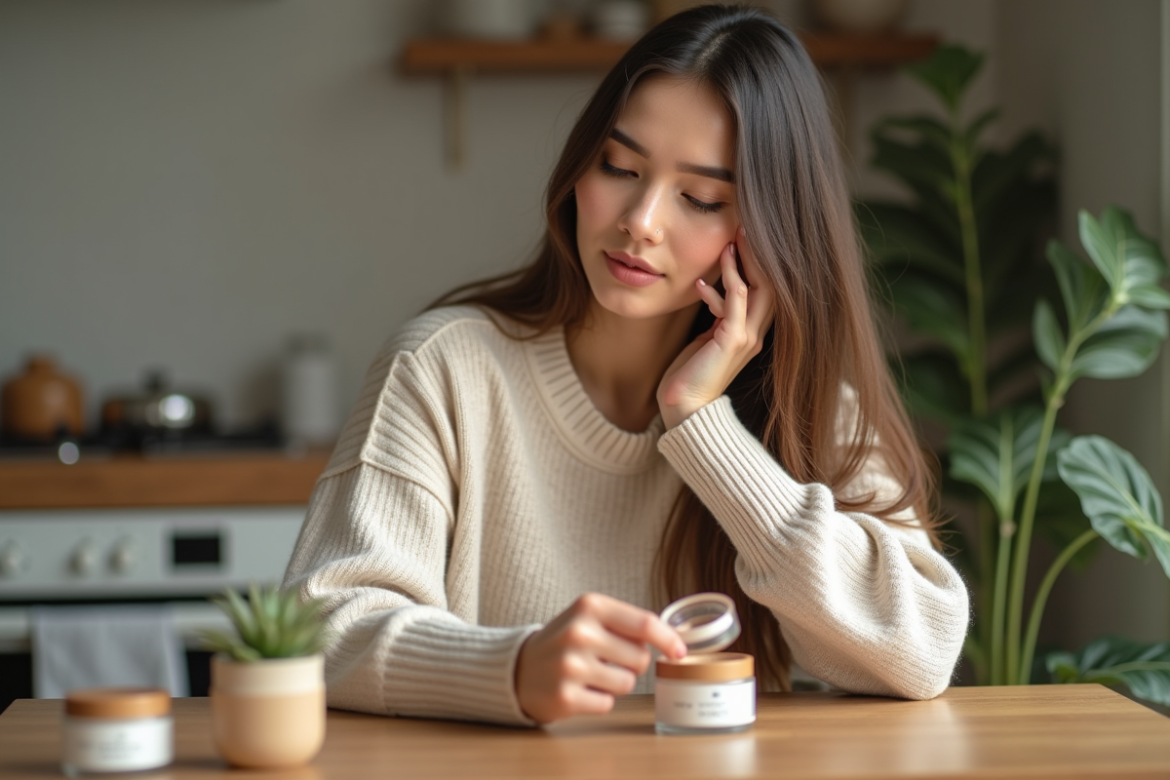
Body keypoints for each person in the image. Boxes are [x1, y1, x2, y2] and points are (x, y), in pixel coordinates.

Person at [282, 4, 969, 727]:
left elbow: (921, 649)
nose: (641, 219)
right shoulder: (443, 368)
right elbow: (319, 626)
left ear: (769, 231)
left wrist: (705, 428)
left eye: (701, 197)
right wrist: (509, 669)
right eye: (619, 165)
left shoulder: (811, 401)